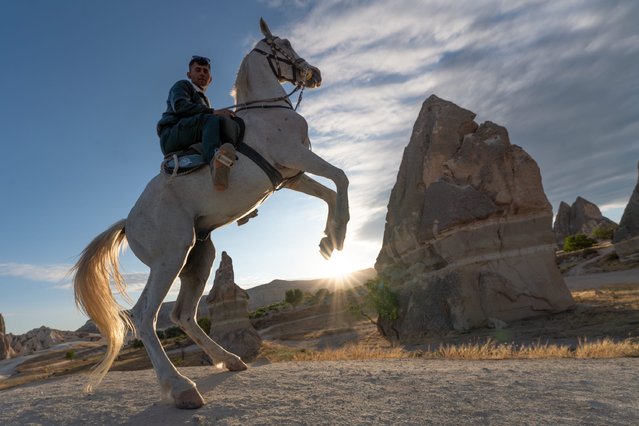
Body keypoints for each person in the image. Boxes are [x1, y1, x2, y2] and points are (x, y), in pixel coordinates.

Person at [156, 55, 236, 190]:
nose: (202, 73)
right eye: (198, 70)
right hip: (171, 134)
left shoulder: (204, 101)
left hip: (190, 132)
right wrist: (212, 112)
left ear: (210, 79)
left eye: (205, 71)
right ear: (189, 74)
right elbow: (180, 106)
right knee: (211, 119)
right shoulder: (183, 85)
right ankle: (214, 162)